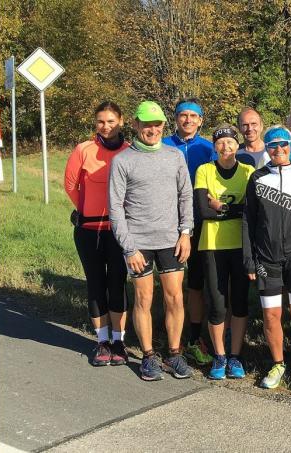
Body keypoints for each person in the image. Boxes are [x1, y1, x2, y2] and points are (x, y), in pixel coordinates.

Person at [108, 101, 194, 381]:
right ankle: (147, 356)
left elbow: (185, 196)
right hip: (139, 243)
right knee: (144, 298)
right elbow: (115, 208)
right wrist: (128, 247)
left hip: (172, 240)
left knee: (175, 298)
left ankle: (174, 354)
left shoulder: (174, 156)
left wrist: (186, 232)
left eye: (157, 125)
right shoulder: (122, 161)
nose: (153, 129)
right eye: (147, 124)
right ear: (135, 125)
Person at [242, 126, 291, 391]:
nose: (278, 150)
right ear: (266, 148)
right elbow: (248, 222)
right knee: (271, 315)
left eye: (283, 144)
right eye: (272, 145)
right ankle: (277, 363)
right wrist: (249, 259)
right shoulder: (257, 178)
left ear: (290, 145)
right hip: (267, 259)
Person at [64, 101, 130, 367]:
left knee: (117, 284)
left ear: (121, 121)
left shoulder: (129, 151)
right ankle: (102, 341)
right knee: (95, 284)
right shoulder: (84, 149)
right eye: (101, 121)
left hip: (118, 231)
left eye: (111, 121)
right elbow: (71, 184)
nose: (106, 126)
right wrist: (83, 210)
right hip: (89, 231)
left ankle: (119, 341)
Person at [194, 125, 255, 380]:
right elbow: (202, 211)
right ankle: (219, 356)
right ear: (214, 147)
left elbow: (251, 210)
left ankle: (235, 356)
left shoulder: (248, 171)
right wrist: (233, 209)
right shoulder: (204, 170)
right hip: (212, 246)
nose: (225, 147)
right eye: (220, 143)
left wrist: (219, 206)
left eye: (230, 142)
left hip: (241, 245)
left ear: (237, 145)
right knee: (218, 306)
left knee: (239, 303)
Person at [162, 98, 217, 367]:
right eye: (183, 115)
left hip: (199, 225)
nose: (187, 120)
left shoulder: (209, 148)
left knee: (195, 284)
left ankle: (195, 337)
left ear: (201, 120)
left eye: (193, 116)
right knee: (170, 285)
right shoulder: (163, 145)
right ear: (175, 118)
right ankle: (172, 337)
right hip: (166, 224)